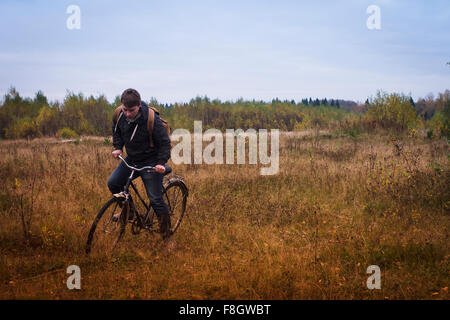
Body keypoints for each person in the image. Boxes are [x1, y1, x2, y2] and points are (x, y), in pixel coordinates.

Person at [107, 88, 172, 239]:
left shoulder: (151, 119)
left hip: (151, 161)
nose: (128, 113)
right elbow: (116, 131)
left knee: (155, 199)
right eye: (125, 109)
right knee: (114, 183)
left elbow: (164, 143)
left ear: (139, 106)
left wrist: (161, 163)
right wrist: (117, 147)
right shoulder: (119, 114)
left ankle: (168, 236)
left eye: (131, 110)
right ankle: (128, 211)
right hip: (132, 158)